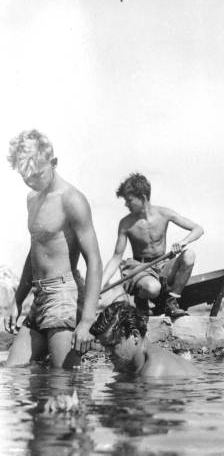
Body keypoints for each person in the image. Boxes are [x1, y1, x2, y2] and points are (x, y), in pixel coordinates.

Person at [4, 130, 102, 368]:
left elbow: (94, 261)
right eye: (26, 177)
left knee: (63, 379)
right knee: (12, 371)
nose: (33, 182)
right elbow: (35, 252)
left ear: (54, 163)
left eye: (37, 174)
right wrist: (17, 300)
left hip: (63, 295)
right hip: (39, 295)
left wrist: (87, 321)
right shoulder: (32, 199)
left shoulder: (72, 200)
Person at [101, 173, 204, 318]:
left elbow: (198, 229)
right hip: (140, 269)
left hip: (163, 266)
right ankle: (141, 299)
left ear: (142, 197)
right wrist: (101, 285)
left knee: (189, 255)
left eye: (129, 200)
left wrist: (183, 242)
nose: (126, 204)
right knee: (153, 288)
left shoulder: (164, 213)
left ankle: (172, 302)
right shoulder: (125, 224)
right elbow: (116, 258)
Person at [90, 302, 200, 376]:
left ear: (135, 336)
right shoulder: (127, 361)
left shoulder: (153, 373)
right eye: (104, 346)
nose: (106, 352)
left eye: (112, 345)